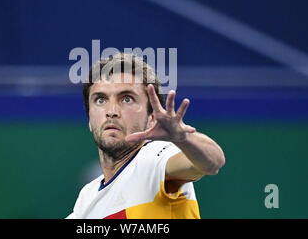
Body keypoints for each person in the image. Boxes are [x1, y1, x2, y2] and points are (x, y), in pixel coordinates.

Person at [67, 53, 225, 219]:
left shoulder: (155, 159)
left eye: (127, 99)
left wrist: (183, 139)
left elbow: (212, 162)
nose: (111, 111)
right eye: (100, 100)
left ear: (151, 118)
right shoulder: (87, 197)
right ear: (90, 120)